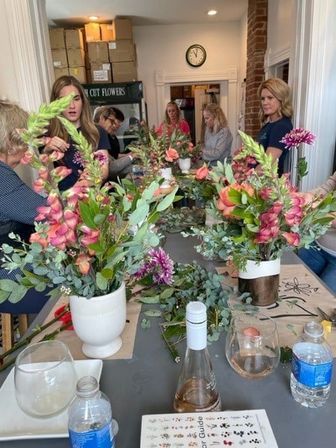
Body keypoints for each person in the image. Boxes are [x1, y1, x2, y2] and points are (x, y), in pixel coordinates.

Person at [0, 101, 49, 313]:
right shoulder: (2, 177)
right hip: (4, 278)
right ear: (12, 141)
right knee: (71, 281)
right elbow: (48, 214)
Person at [44, 76, 110, 191]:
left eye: (76, 99)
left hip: (93, 200)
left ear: (83, 101)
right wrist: (47, 149)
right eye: (64, 100)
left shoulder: (97, 132)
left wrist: (88, 180)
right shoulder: (48, 133)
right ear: (56, 103)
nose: (72, 106)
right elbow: (39, 169)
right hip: (64, 202)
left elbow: (104, 169)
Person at [298, 172, 336, 293]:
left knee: (324, 302)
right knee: (295, 287)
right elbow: (327, 188)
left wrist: (317, 211)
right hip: (315, 246)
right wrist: (307, 196)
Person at [257, 78, 293, 176]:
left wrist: (245, 182)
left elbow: (266, 164)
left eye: (270, 98)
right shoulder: (269, 125)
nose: (265, 102)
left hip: (267, 185)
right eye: (263, 98)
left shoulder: (281, 127)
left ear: (281, 99)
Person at [93, 106, 134, 179]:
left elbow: (112, 161)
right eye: (112, 121)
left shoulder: (101, 135)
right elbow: (111, 168)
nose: (114, 125)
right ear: (102, 118)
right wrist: (132, 157)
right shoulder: (95, 136)